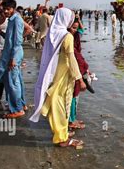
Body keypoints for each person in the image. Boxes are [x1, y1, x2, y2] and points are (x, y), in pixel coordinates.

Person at [30, 8, 86, 148]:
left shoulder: (52, 33)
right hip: (64, 75)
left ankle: (61, 132)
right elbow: (71, 59)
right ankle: (62, 138)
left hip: (52, 73)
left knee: (54, 101)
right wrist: (79, 79)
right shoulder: (67, 36)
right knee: (62, 105)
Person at [0, 0, 26, 118]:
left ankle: (18, 109)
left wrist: (13, 58)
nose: (6, 11)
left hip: (13, 55)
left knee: (13, 83)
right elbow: (10, 38)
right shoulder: (12, 19)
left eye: (8, 9)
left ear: (13, 8)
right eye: (5, 9)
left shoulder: (17, 20)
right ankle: (20, 105)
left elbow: (17, 41)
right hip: (10, 54)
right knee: (15, 81)